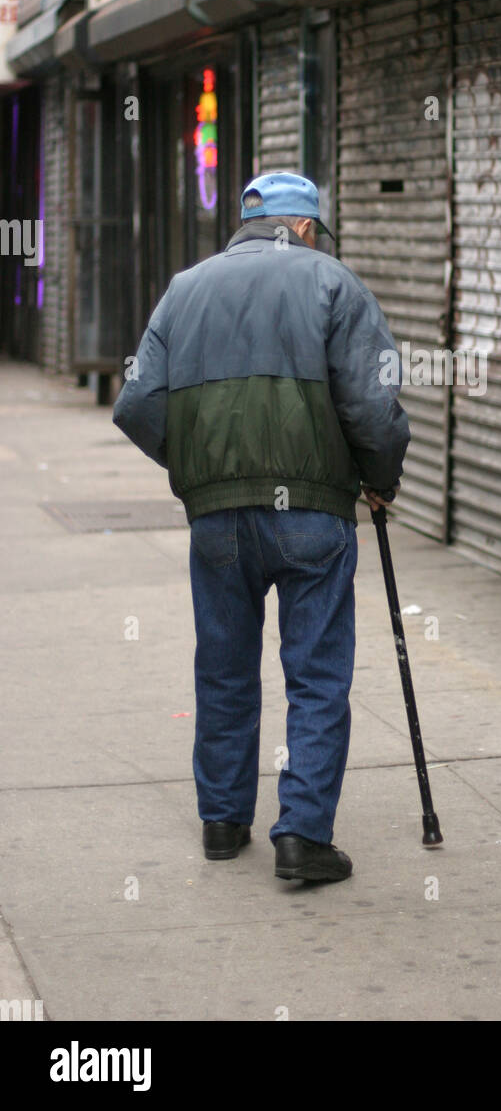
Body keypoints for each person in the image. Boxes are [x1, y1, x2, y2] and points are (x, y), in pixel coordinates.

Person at [113, 172, 410, 883]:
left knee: (223, 666)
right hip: (312, 512)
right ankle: (303, 837)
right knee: (315, 673)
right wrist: (379, 478)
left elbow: (136, 405)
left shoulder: (185, 289)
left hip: (218, 518)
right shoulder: (334, 284)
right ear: (306, 227)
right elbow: (372, 408)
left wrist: (200, 466)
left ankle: (222, 823)